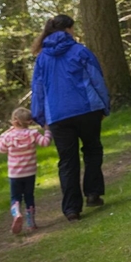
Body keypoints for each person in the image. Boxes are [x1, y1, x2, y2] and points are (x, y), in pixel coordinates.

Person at [30, 15, 111, 222]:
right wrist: (104, 106)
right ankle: (93, 194)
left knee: (67, 161)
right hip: (87, 110)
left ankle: (71, 209)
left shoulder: (42, 59)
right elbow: (97, 80)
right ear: (68, 29)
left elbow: (38, 90)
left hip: (58, 116)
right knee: (92, 150)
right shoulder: (80, 51)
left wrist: (40, 117)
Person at [0, 107, 52, 234]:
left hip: (14, 174)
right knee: (29, 196)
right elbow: (45, 143)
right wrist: (47, 131)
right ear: (29, 121)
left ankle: (16, 212)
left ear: (13, 121)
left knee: (15, 197)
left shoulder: (8, 136)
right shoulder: (33, 134)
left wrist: (2, 136)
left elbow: (1, 149)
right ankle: (31, 223)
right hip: (29, 172)